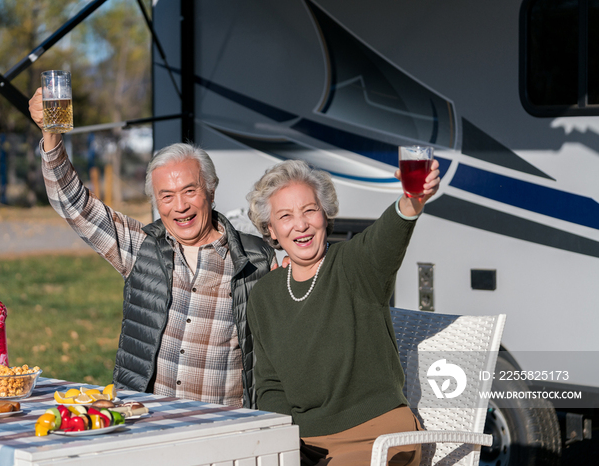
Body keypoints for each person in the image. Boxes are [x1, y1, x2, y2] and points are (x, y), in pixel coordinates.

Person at [28, 88, 276, 408]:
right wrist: (51, 134)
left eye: (190, 191)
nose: (180, 207)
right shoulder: (142, 247)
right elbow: (74, 205)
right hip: (148, 422)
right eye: (166, 196)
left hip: (220, 428)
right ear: (156, 202)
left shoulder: (256, 260)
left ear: (211, 191)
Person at [245, 158, 440, 465]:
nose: (301, 224)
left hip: (378, 436)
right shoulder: (264, 296)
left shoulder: (355, 265)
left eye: (309, 210)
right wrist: (280, 446)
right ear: (271, 230)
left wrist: (411, 201)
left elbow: (387, 237)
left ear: (325, 214)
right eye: (285, 216)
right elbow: (271, 387)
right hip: (305, 444)